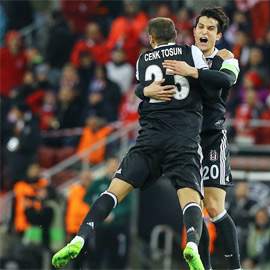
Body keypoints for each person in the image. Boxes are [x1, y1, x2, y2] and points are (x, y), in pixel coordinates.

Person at [52, 17, 233, 270]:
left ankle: (80, 236)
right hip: (183, 140)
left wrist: (143, 91)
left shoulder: (142, 60)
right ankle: (192, 243)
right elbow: (211, 79)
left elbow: (144, 89)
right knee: (191, 199)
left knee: (112, 192)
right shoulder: (190, 52)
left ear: (150, 39)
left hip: (149, 139)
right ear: (177, 34)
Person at [138, 7, 242, 270]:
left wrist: (193, 72)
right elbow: (149, 82)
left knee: (215, 207)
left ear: (218, 36)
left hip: (212, 137)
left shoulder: (225, 57)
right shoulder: (183, 54)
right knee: (194, 206)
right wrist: (142, 90)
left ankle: (236, 267)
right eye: (201, 27)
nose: (204, 32)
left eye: (210, 28)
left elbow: (227, 80)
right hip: (186, 141)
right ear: (193, 31)